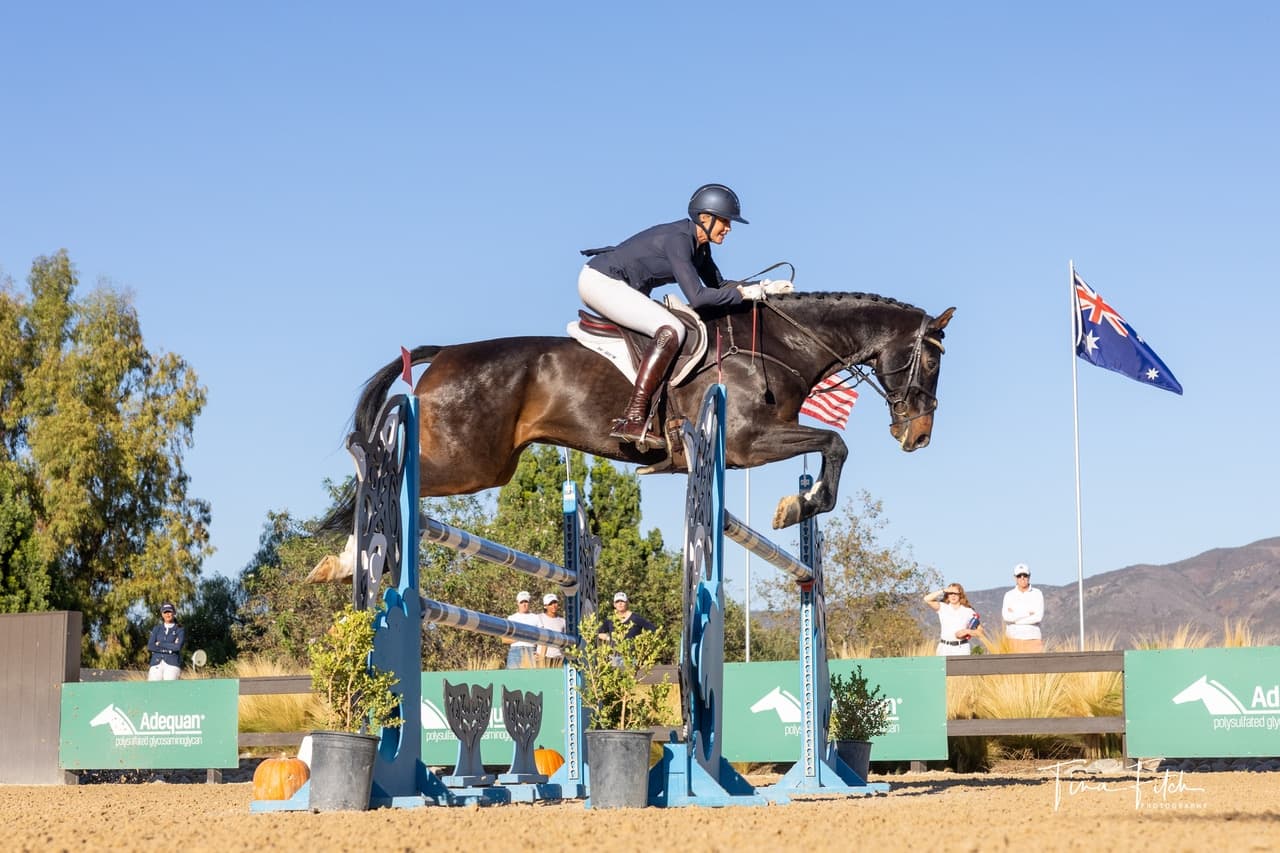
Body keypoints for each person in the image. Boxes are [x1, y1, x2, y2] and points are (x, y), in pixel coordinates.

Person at [578, 183, 794, 449]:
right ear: (705, 218)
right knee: (672, 328)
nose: (728, 228)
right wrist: (745, 295)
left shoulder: (700, 247)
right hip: (601, 281)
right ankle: (633, 417)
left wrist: (763, 288)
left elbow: (718, 286)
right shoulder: (678, 240)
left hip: (615, 284)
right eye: (725, 221)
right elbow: (699, 297)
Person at [924, 583, 986, 656]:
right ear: (947, 595)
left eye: (955, 593)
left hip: (962, 648)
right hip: (944, 648)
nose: (953, 595)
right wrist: (944, 590)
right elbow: (926, 599)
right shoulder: (942, 607)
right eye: (950, 593)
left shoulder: (969, 611)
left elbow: (981, 632)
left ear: (960, 595)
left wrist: (967, 631)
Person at [1001, 563, 1045, 652]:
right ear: (1015, 578)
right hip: (1012, 638)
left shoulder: (1037, 593)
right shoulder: (1009, 595)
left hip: (1033, 638)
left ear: (1029, 576)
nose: (1022, 578)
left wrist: (1016, 619)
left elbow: (1038, 617)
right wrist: (1028, 613)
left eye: (1025, 575)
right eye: (1019, 576)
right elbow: (1006, 617)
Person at [147, 602, 185, 680]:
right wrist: (171, 647)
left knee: (169, 688)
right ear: (162, 614)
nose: (167, 614)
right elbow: (150, 646)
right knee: (153, 688)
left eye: (169, 612)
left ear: (174, 613)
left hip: (172, 663)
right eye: (165, 612)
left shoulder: (180, 629)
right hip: (156, 662)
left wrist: (160, 643)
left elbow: (177, 647)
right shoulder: (156, 629)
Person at [505, 591, 541, 668]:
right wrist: (521, 637)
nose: (524, 604)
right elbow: (504, 639)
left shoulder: (536, 617)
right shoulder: (511, 618)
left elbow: (542, 637)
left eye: (526, 602)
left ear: (529, 603)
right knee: (512, 676)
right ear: (517, 603)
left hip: (531, 650)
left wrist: (539, 653)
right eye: (521, 602)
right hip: (515, 650)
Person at [536, 593, 566, 665]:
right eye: (550, 604)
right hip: (543, 657)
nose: (553, 605)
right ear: (545, 606)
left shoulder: (562, 621)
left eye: (555, 602)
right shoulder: (539, 617)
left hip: (559, 658)